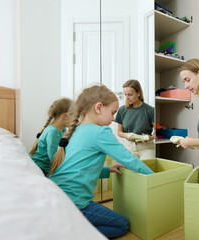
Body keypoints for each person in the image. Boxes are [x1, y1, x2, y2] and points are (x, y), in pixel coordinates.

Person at [48, 84, 154, 239]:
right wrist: (154, 176)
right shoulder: (100, 131)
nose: (113, 119)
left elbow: (79, 169)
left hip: (57, 196)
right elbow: (129, 159)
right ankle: (69, 233)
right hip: (74, 202)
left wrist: (107, 170)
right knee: (122, 224)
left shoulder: (76, 130)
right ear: (99, 108)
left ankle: (68, 224)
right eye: (112, 113)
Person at [30, 97, 74, 176]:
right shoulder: (52, 133)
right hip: (41, 169)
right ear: (66, 116)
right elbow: (54, 159)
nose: (75, 120)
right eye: (74, 116)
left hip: (47, 168)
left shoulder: (62, 129)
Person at [115, 79, 155, 160]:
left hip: (147, 148)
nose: (127, 98)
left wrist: (151, 137)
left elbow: (158, 132)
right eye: (125, 95)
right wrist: (127, 135)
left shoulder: (150, 110)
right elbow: (119, 132)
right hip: (129, 147)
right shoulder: (122, 110)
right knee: (129, 171)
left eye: (130, 95)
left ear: (138, 93)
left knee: (146, 171)